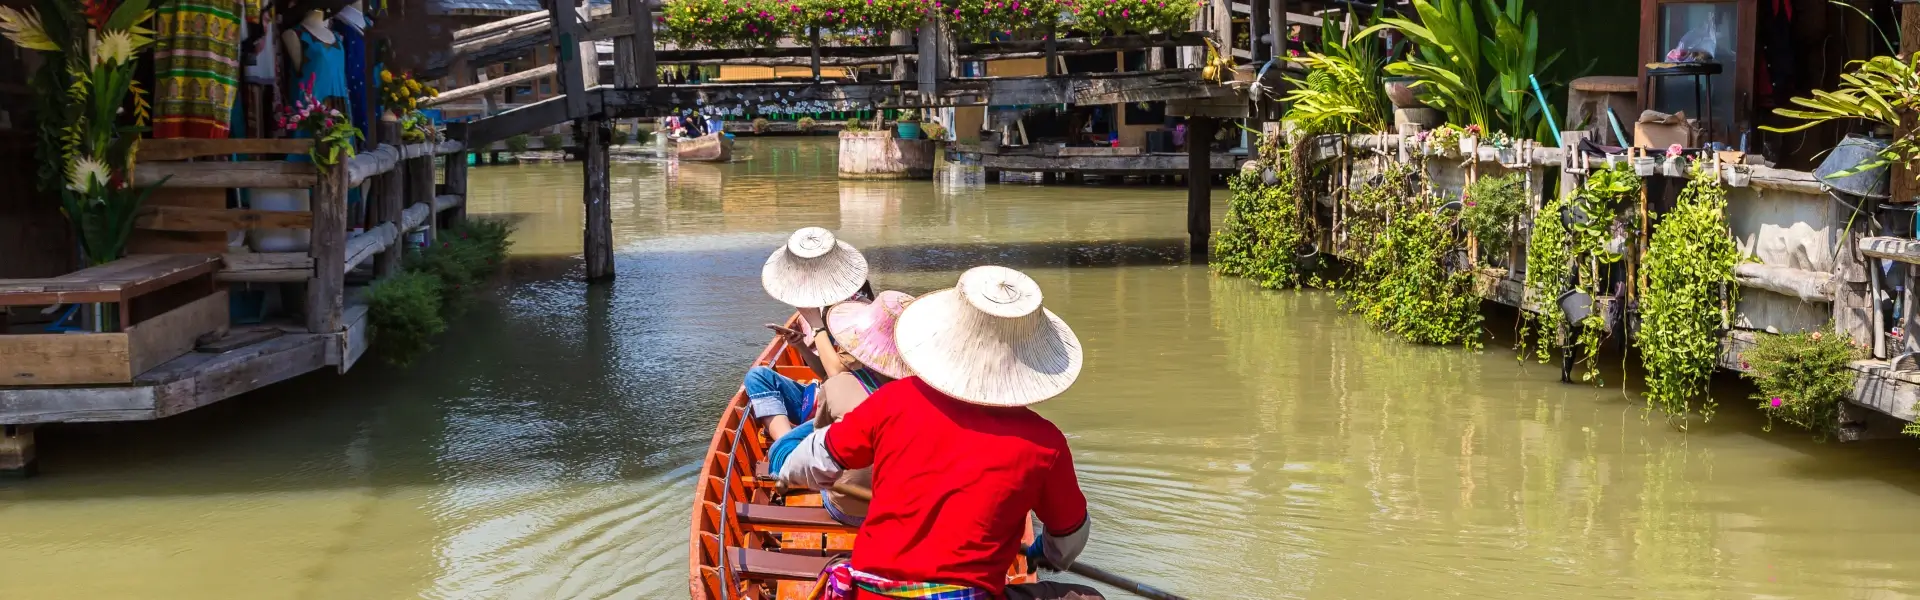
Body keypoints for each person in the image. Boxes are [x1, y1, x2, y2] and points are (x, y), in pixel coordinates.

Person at [781, 266, 1102, 600]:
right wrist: (1041, 553)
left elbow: (803, 464)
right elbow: (1067, 543)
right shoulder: (1044, 443)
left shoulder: (895, 400)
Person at [766, 291, 915, 527]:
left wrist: (816, 326)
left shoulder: (841, 383)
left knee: (781, 449)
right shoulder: (931, 395)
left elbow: (823, 445)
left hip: (849, 508)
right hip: (907, 510)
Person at [747, 227, 875, 441]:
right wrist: (801, 347)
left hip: (851, 408)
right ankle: (784, 444)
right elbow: (827, 372)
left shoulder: (858, 311)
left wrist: (816, 324)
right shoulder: (829, 307)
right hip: (827, 397)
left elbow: (838, 376)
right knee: (758, 377)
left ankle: (788, 450)